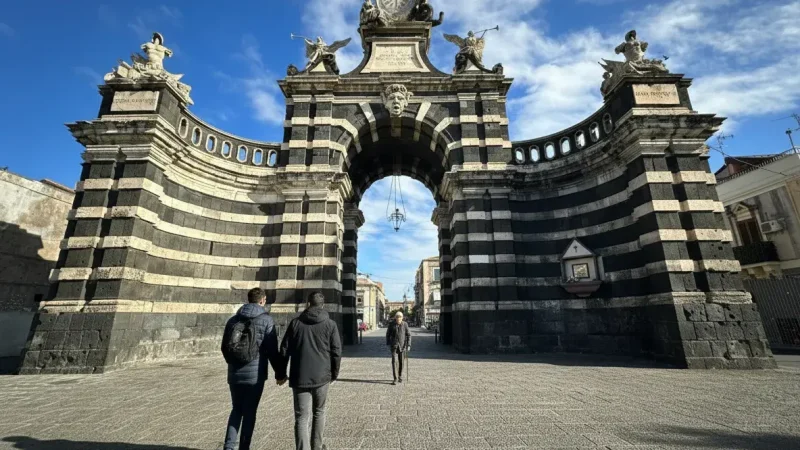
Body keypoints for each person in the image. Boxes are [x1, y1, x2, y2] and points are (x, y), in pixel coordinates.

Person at [221, 288, 286, 450]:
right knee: (250, 412)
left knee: (236, 409)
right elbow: (272, 350)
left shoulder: (233, 319)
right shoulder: (266, 320)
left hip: (234, 373)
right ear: (262, 300)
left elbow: (224, 347)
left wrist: (232, 362)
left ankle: (229, 447)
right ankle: (244, 447)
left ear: (249, 299)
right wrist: (280, 374)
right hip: (255, 374)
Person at [279, 292, 342, 450]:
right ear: (323, 304)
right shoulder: (330, 324)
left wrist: (280, 373)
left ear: (308, 304)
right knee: (319, 412)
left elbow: (284, 349)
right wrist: (335, 373)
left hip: (300, 376)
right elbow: (336, 351)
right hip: (322, 376)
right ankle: (317, 446)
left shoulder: (295, 323)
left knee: (301, 417)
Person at [386, 311, 411, 385]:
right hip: (394, 346)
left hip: (402, 346)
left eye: (400, 317)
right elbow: (388, 334)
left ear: (402, 318)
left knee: (401, 362)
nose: (398, 318)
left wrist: (408, 345)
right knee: (394, 361)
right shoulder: (391, 324)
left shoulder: (405, 324)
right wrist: (388, 343)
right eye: (397, 317)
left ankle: (400, 376)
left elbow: (409, 335)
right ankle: (395, 378)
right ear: (395, 318)